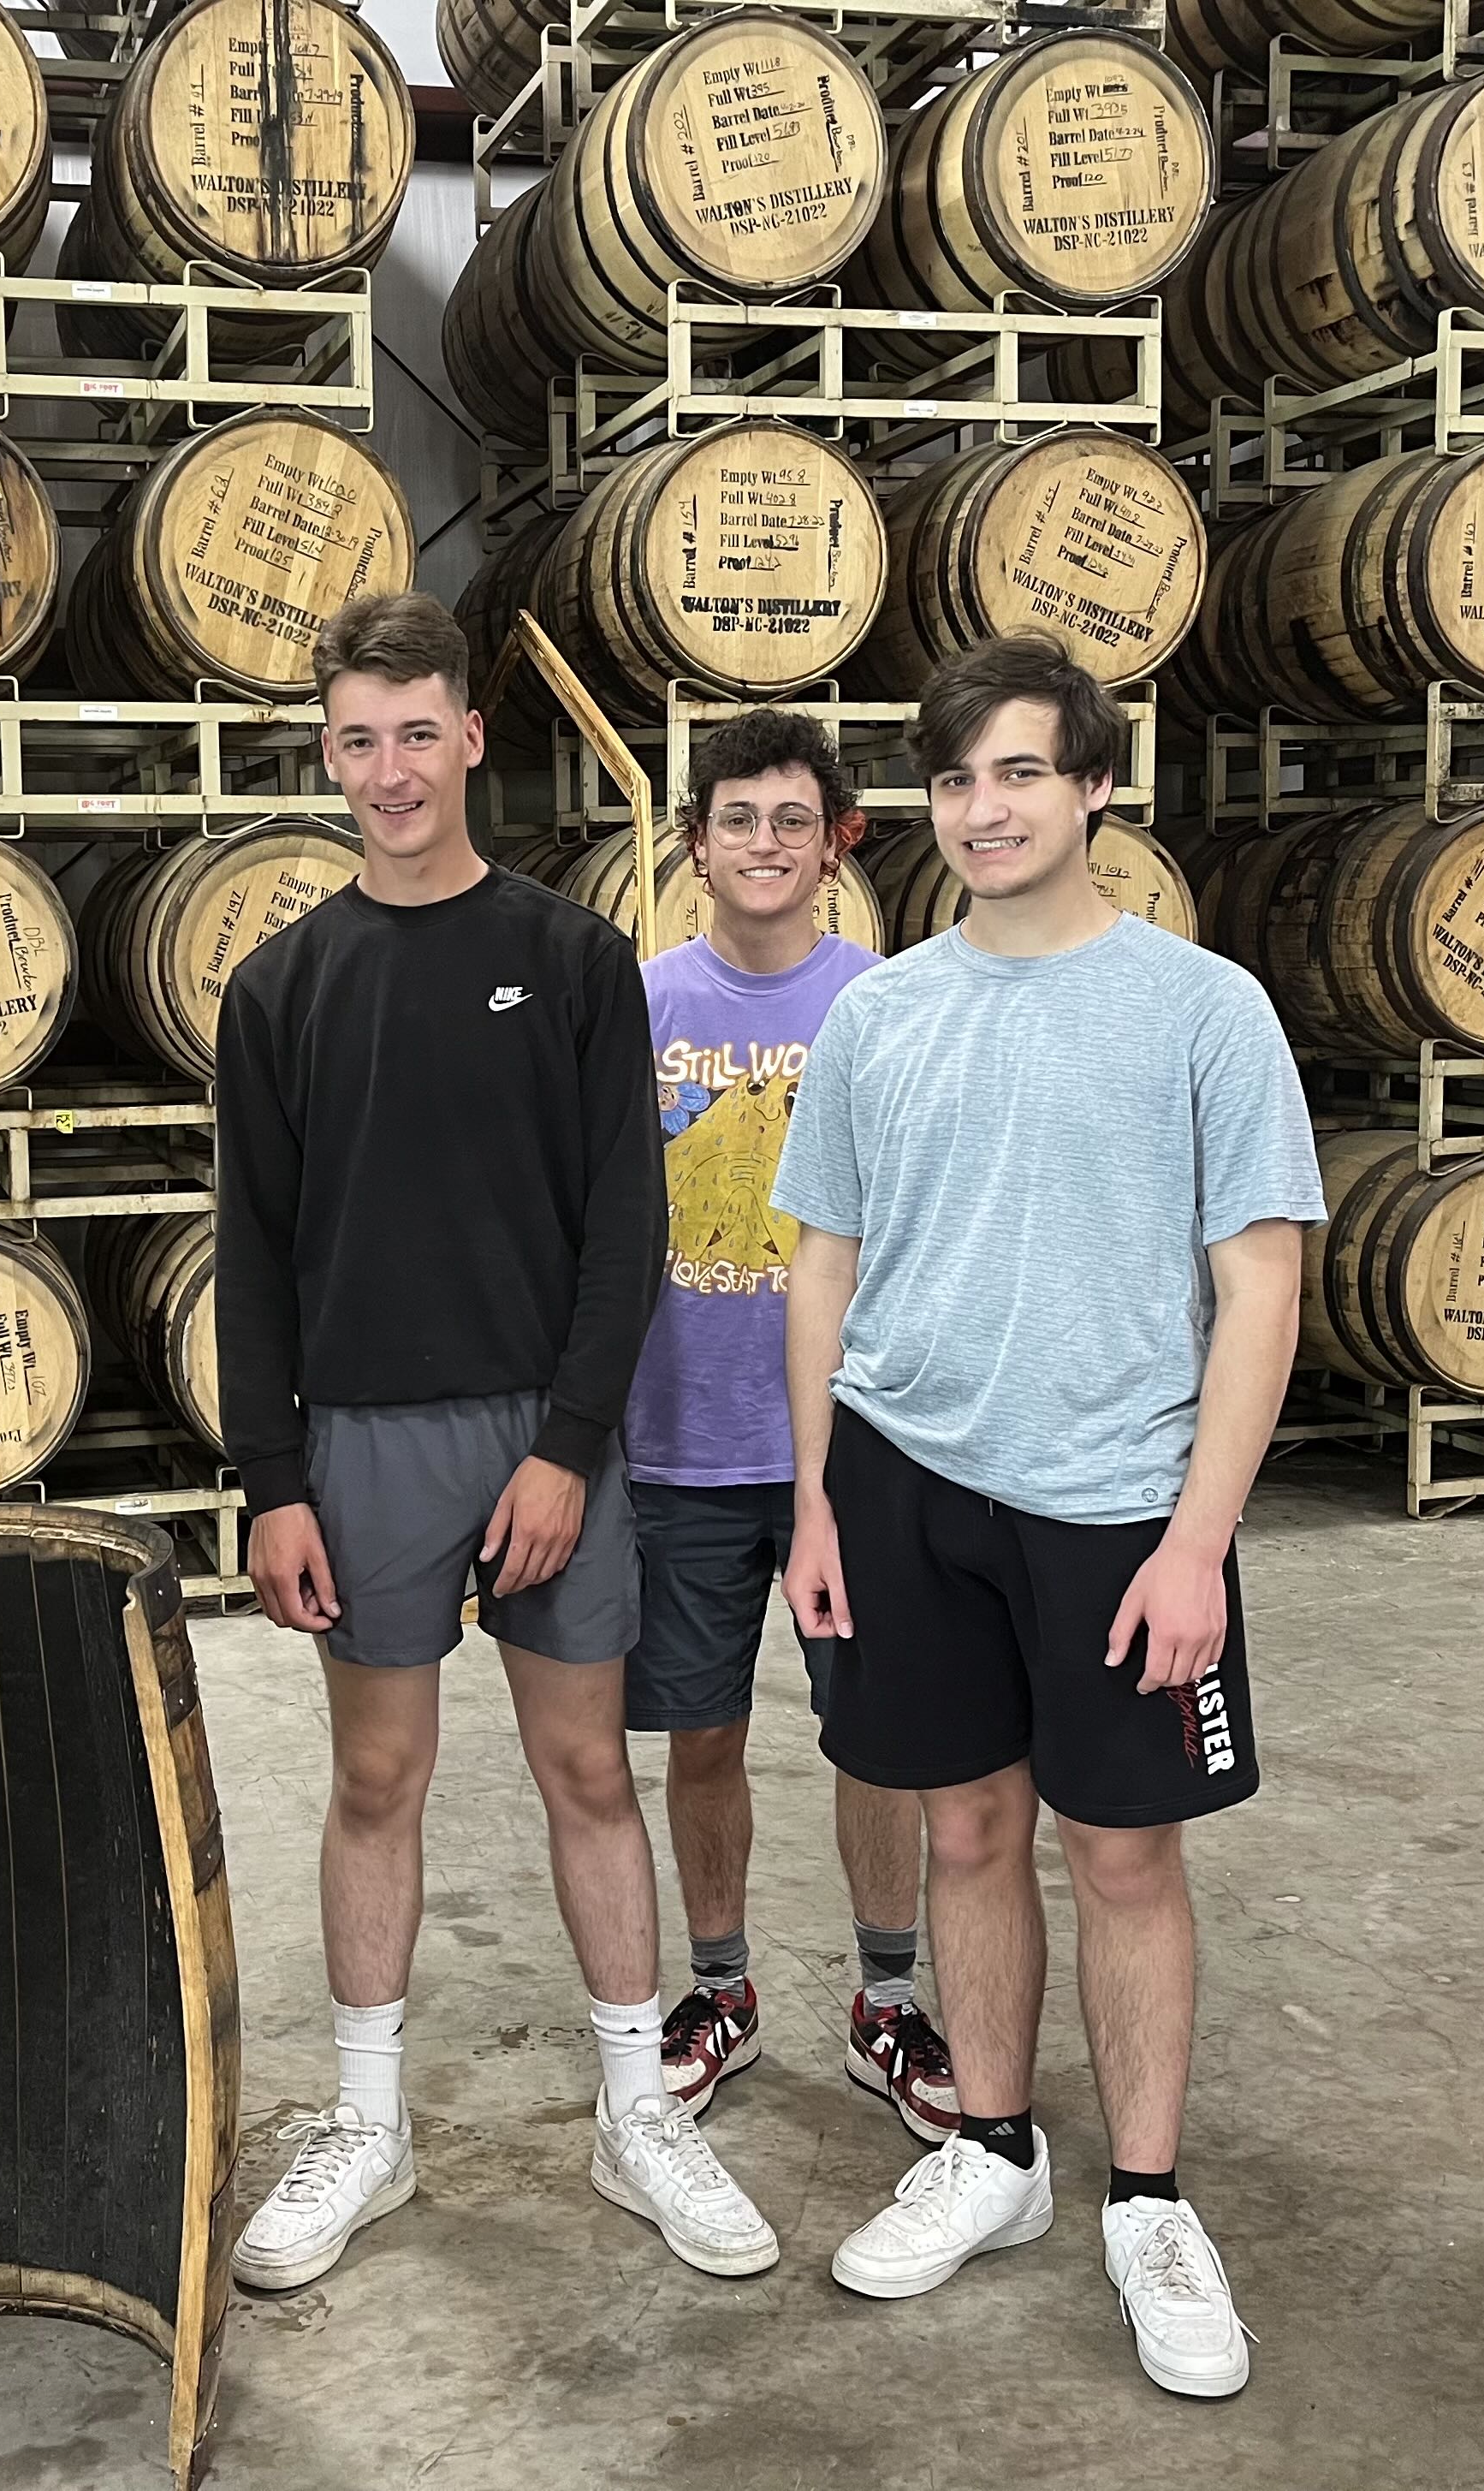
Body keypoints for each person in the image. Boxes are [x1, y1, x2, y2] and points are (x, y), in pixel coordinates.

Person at [772, 633, 1325, 2395]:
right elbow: (820, 1267)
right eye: (955, 780)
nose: (985, 808)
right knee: (958, 1836)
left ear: (1095, 787)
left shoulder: (1198, 1007)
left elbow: (1260, 1288)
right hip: (900, 1480)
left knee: (1125, 1858)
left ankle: (1147, 2201)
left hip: (1113, 1502)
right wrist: (813, 1501)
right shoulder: (879, 1010)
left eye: (1021, 772)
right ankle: (996, 2153)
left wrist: (1193, 1540)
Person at [215, 592, 779, 2293]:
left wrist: (565, 1448)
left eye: (416, 732)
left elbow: (623, 1231)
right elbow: (251, 1249)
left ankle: (635, 2112)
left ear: (472, 736)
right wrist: (272, 1482)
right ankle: (368, 2128)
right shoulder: (282, 984)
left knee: (587, 1775)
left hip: (542, 1442)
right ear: (330, 752)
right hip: (363, 1443)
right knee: (375, 1780)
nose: (389, 769)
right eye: (357, 739)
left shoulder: (575, 958)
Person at [623, 710, 958, 2143]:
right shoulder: (633, 1005)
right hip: (680, 1442)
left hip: (855, 1450)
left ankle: (888, 1998)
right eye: (737, 817)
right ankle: (721, 1989)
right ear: (694, 843)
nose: (764, 842)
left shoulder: (886, 1005)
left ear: (837, 845)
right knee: (700, 1736)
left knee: (878, 1740)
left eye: (792, 820)